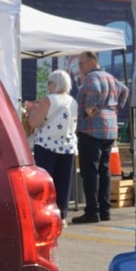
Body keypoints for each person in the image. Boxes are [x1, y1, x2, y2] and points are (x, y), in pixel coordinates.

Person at [72, 51, 130, 224]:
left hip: (92, 129)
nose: (79, 68)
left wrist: (91, 108)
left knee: (90, 171)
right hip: (110, 129)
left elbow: (96, 91)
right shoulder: (110, 77)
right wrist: (115, 109)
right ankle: (105, 210)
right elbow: (125, 90)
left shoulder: (92, 78)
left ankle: (92, 211)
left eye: (80, 64)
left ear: (90, 62)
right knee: (104, 170)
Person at [28, 70, 78, 223]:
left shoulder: (49, 99)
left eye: (49, 83)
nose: (48, 86)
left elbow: (34, 123)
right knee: (63, 182)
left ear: (54, 84)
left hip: (47, 145)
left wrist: (31, 111)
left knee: (45, 182)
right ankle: (61, 215)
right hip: (68, 146)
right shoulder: (72, 101)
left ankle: (43, 214)